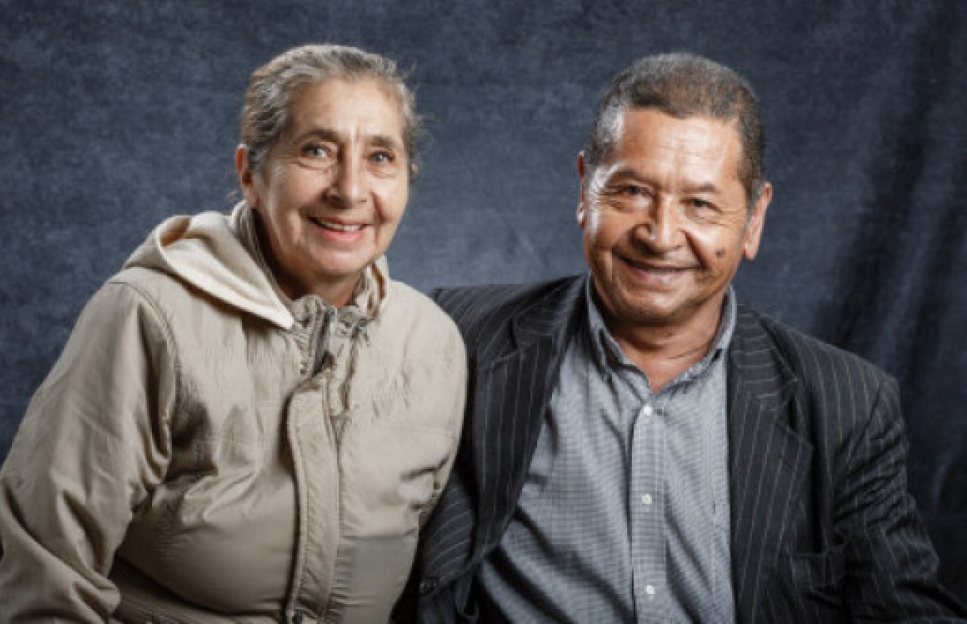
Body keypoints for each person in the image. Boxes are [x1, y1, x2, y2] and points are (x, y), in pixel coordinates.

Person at [400, 53, 967, 623]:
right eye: (631, 192)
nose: (661, 234)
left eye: (699, 203)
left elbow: (907, 611)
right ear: (584, 190)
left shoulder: (846, 405)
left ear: (754, 220)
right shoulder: (460, 336)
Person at [0, 44, 467, 623]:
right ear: (251, 174)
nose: (349, 189)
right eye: (316, 150)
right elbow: (49, 573)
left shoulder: (433, 345)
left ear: (407, 180)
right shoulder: (149, 315)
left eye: (380, 157)